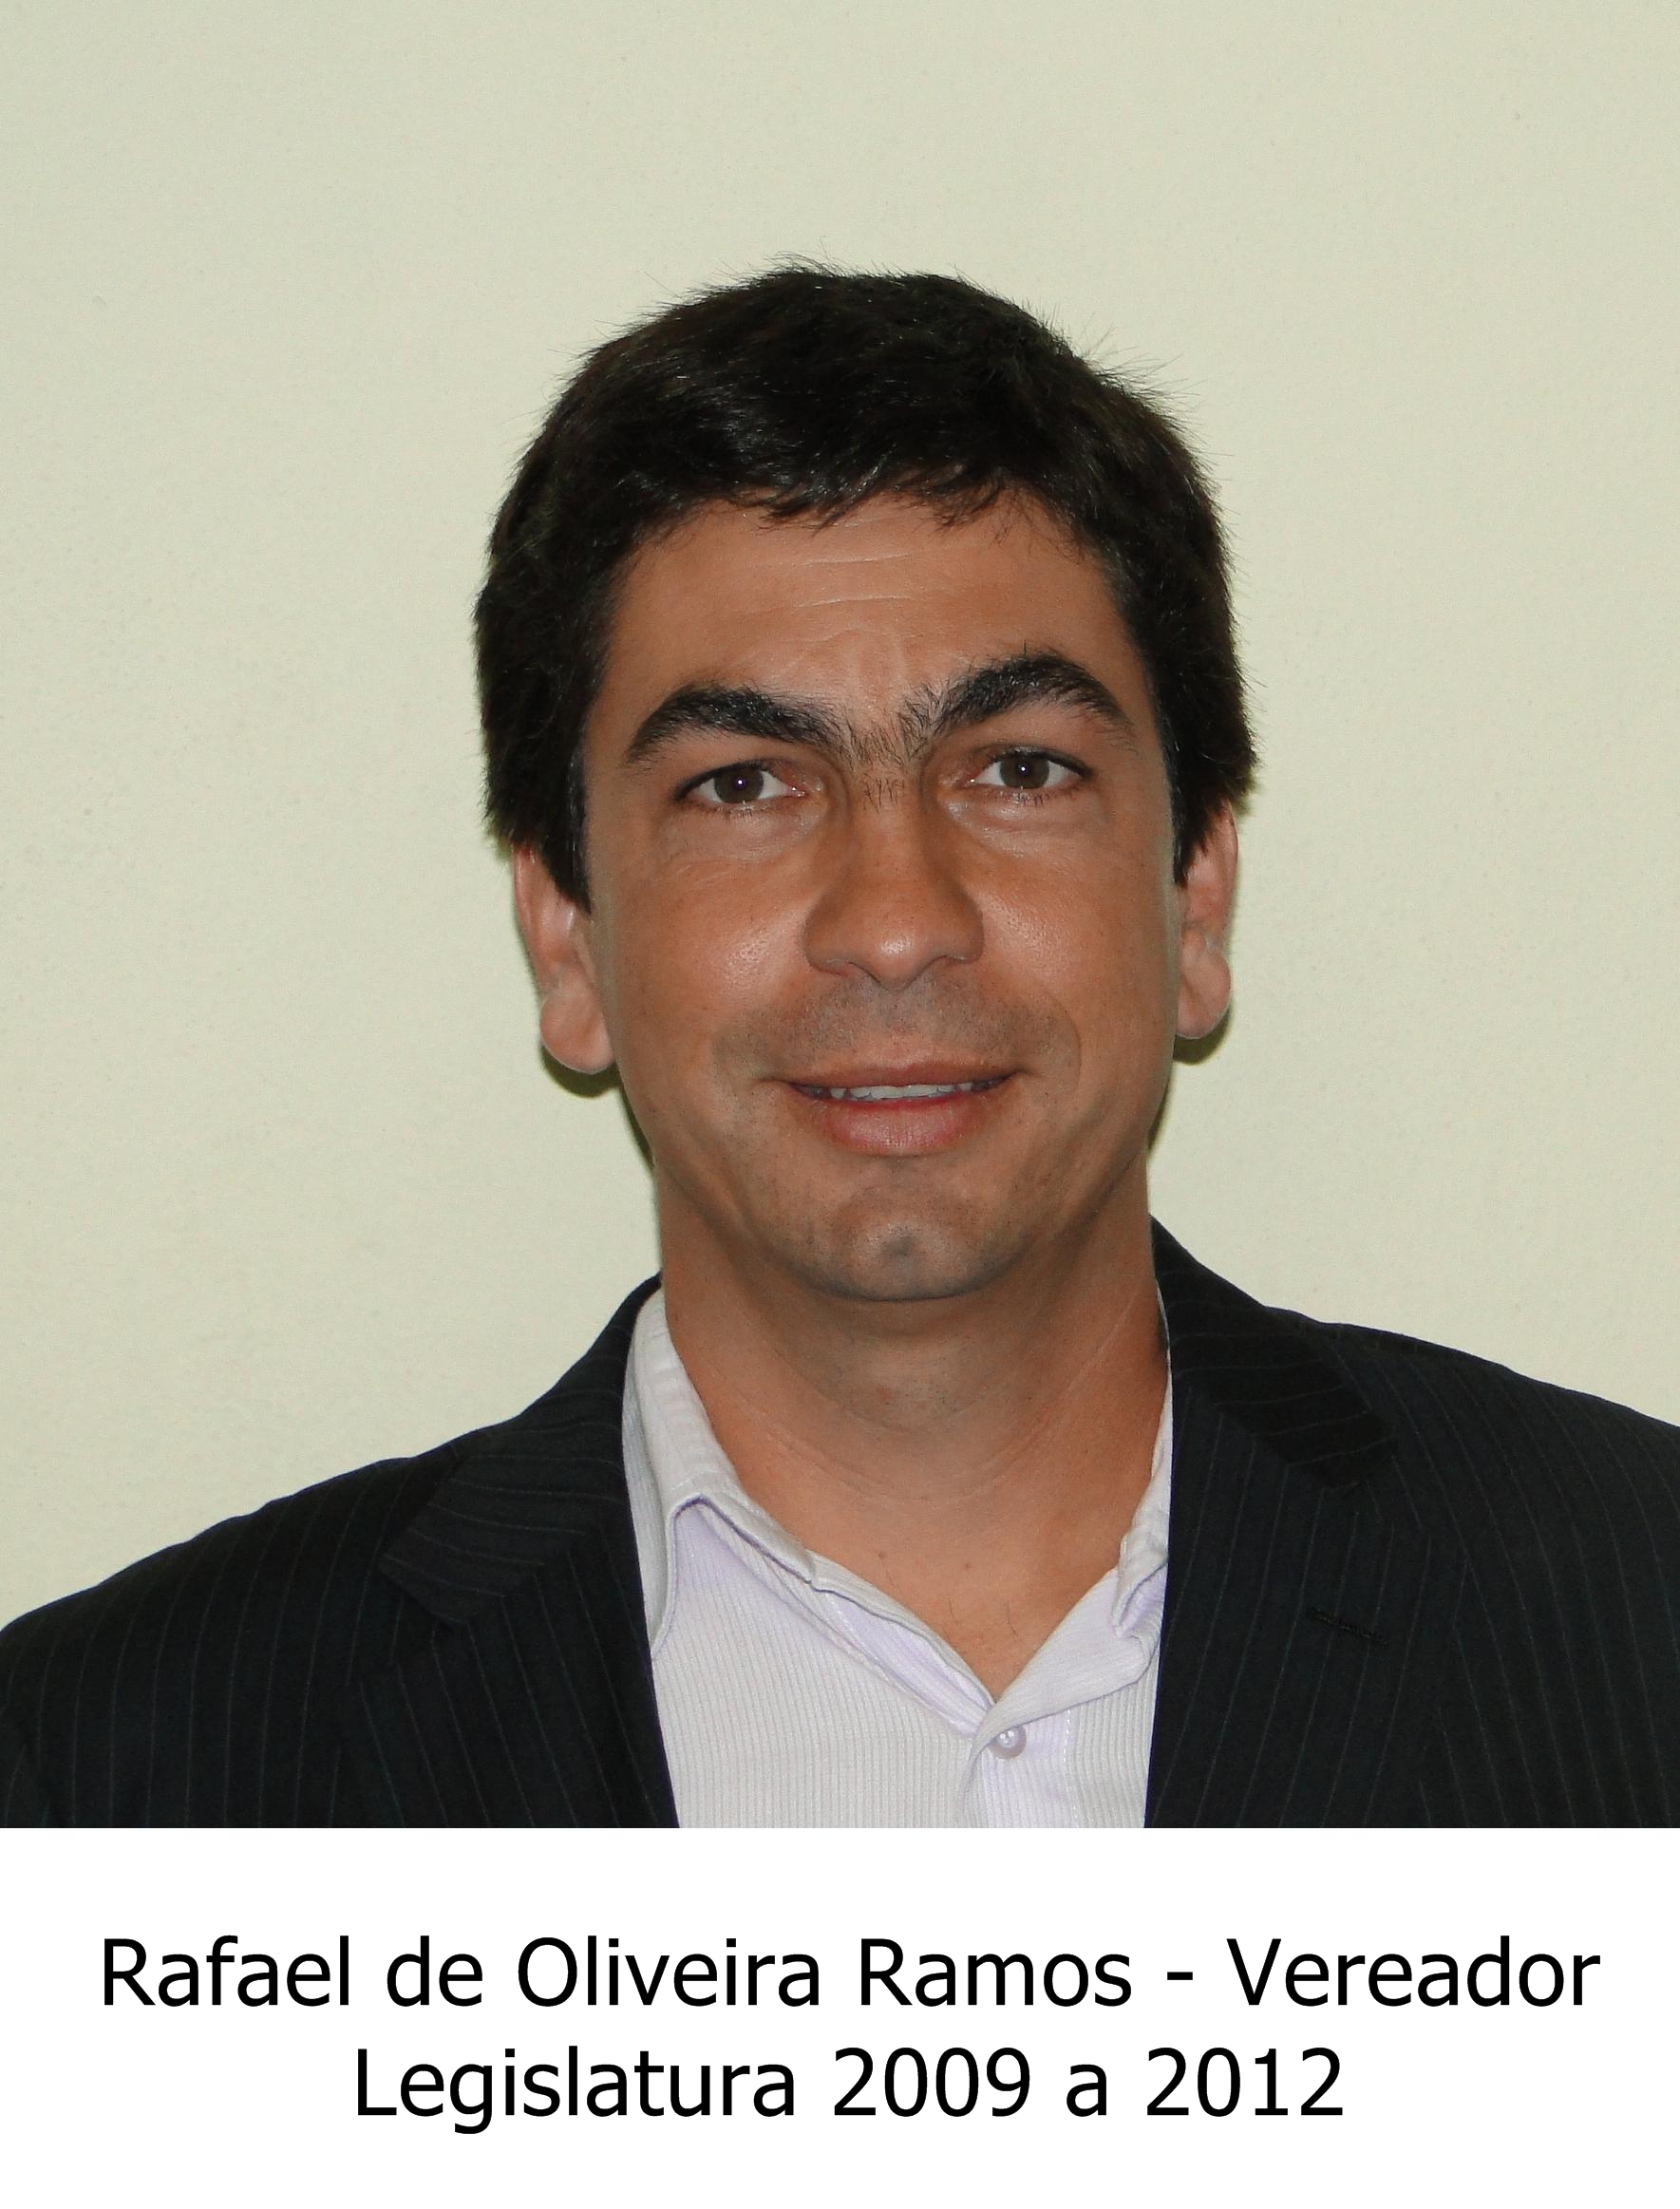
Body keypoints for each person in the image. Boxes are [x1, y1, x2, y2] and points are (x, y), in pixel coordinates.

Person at [3, 266, 1677, 1827]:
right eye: (741, 784)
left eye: (1017, 768)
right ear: (566, 934)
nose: (893, 920)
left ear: (1194, 894)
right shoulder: (110, 1776)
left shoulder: (1634, 1617)